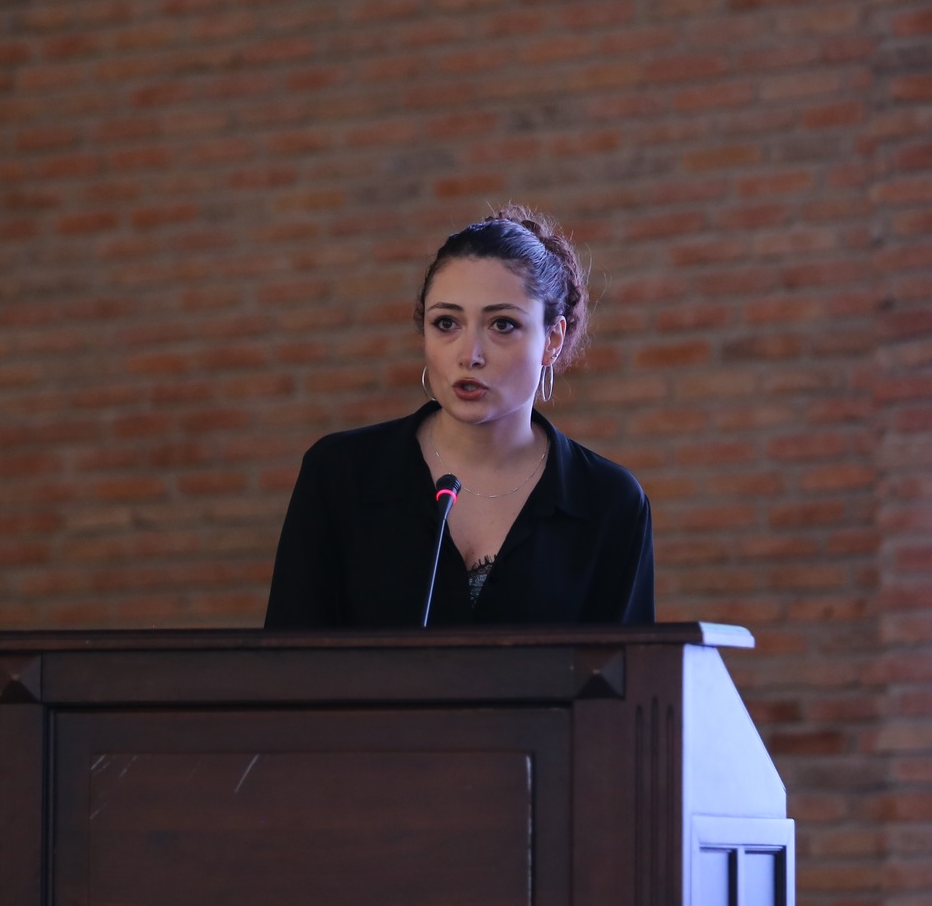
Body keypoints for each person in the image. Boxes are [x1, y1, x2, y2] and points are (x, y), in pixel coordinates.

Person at [265, 205, 655, 627]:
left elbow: (627, 667)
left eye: (502, 325)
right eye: (446, 323)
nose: (469, 355)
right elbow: (289, 658)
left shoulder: (608, 502)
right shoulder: (340, 474)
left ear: (553, 340)